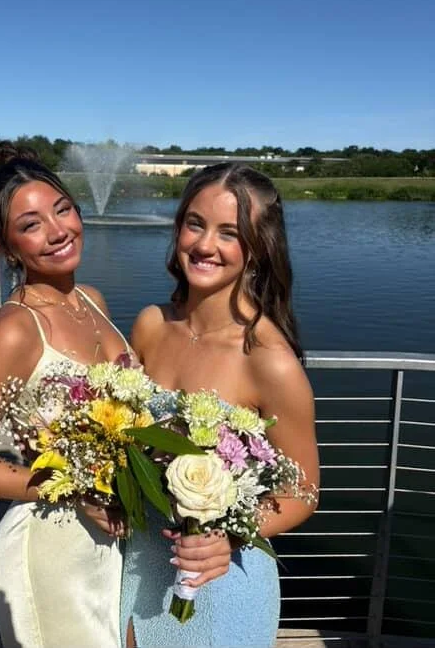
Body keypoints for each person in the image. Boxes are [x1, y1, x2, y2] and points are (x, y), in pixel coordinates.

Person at [0, 142, 129, 648]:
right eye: (31, 224)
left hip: (112, 537)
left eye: (62, 209)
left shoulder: (92, 300)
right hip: (54, 547)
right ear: (4, 245)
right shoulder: (17, 331)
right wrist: (72, 487)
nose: (58, 230)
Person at [121, 163, 319, 648]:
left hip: (221, 583)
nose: (205, 245)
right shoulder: (150, 325)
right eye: (195, 223)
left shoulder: (269, 361)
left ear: (257, 250)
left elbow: (304, 491)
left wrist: (228, 536)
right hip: (136, 568)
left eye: (230, 233)